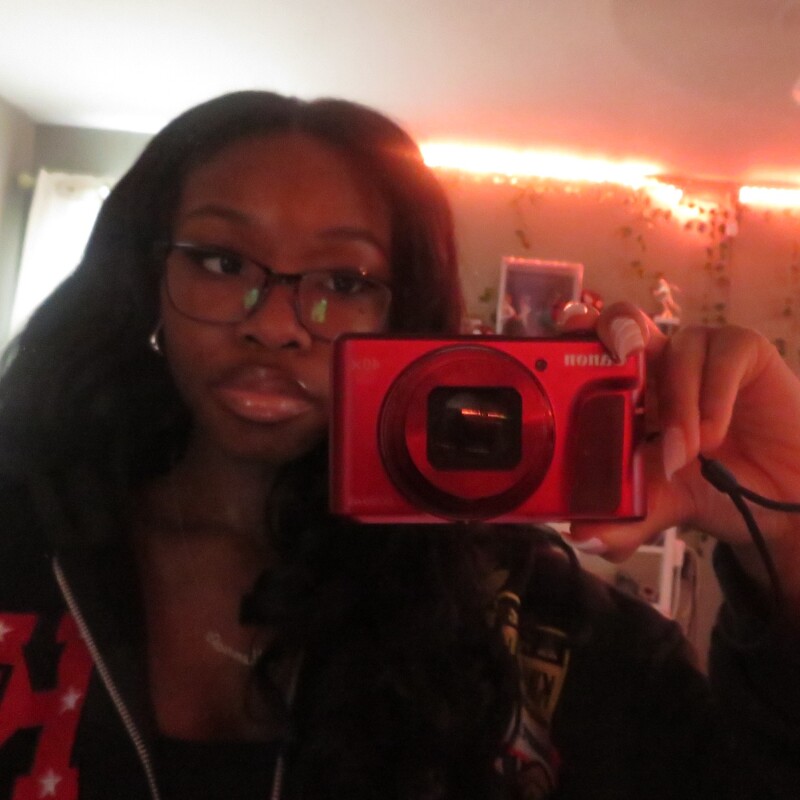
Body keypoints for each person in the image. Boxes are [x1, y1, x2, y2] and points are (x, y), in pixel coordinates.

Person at [0, 90, 798, 800]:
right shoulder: (22, 536)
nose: (274, 325)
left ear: (404, 314)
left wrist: (792, 534)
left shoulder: (521, 616)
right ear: (146, 282)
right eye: (220, 261)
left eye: (344, 282)